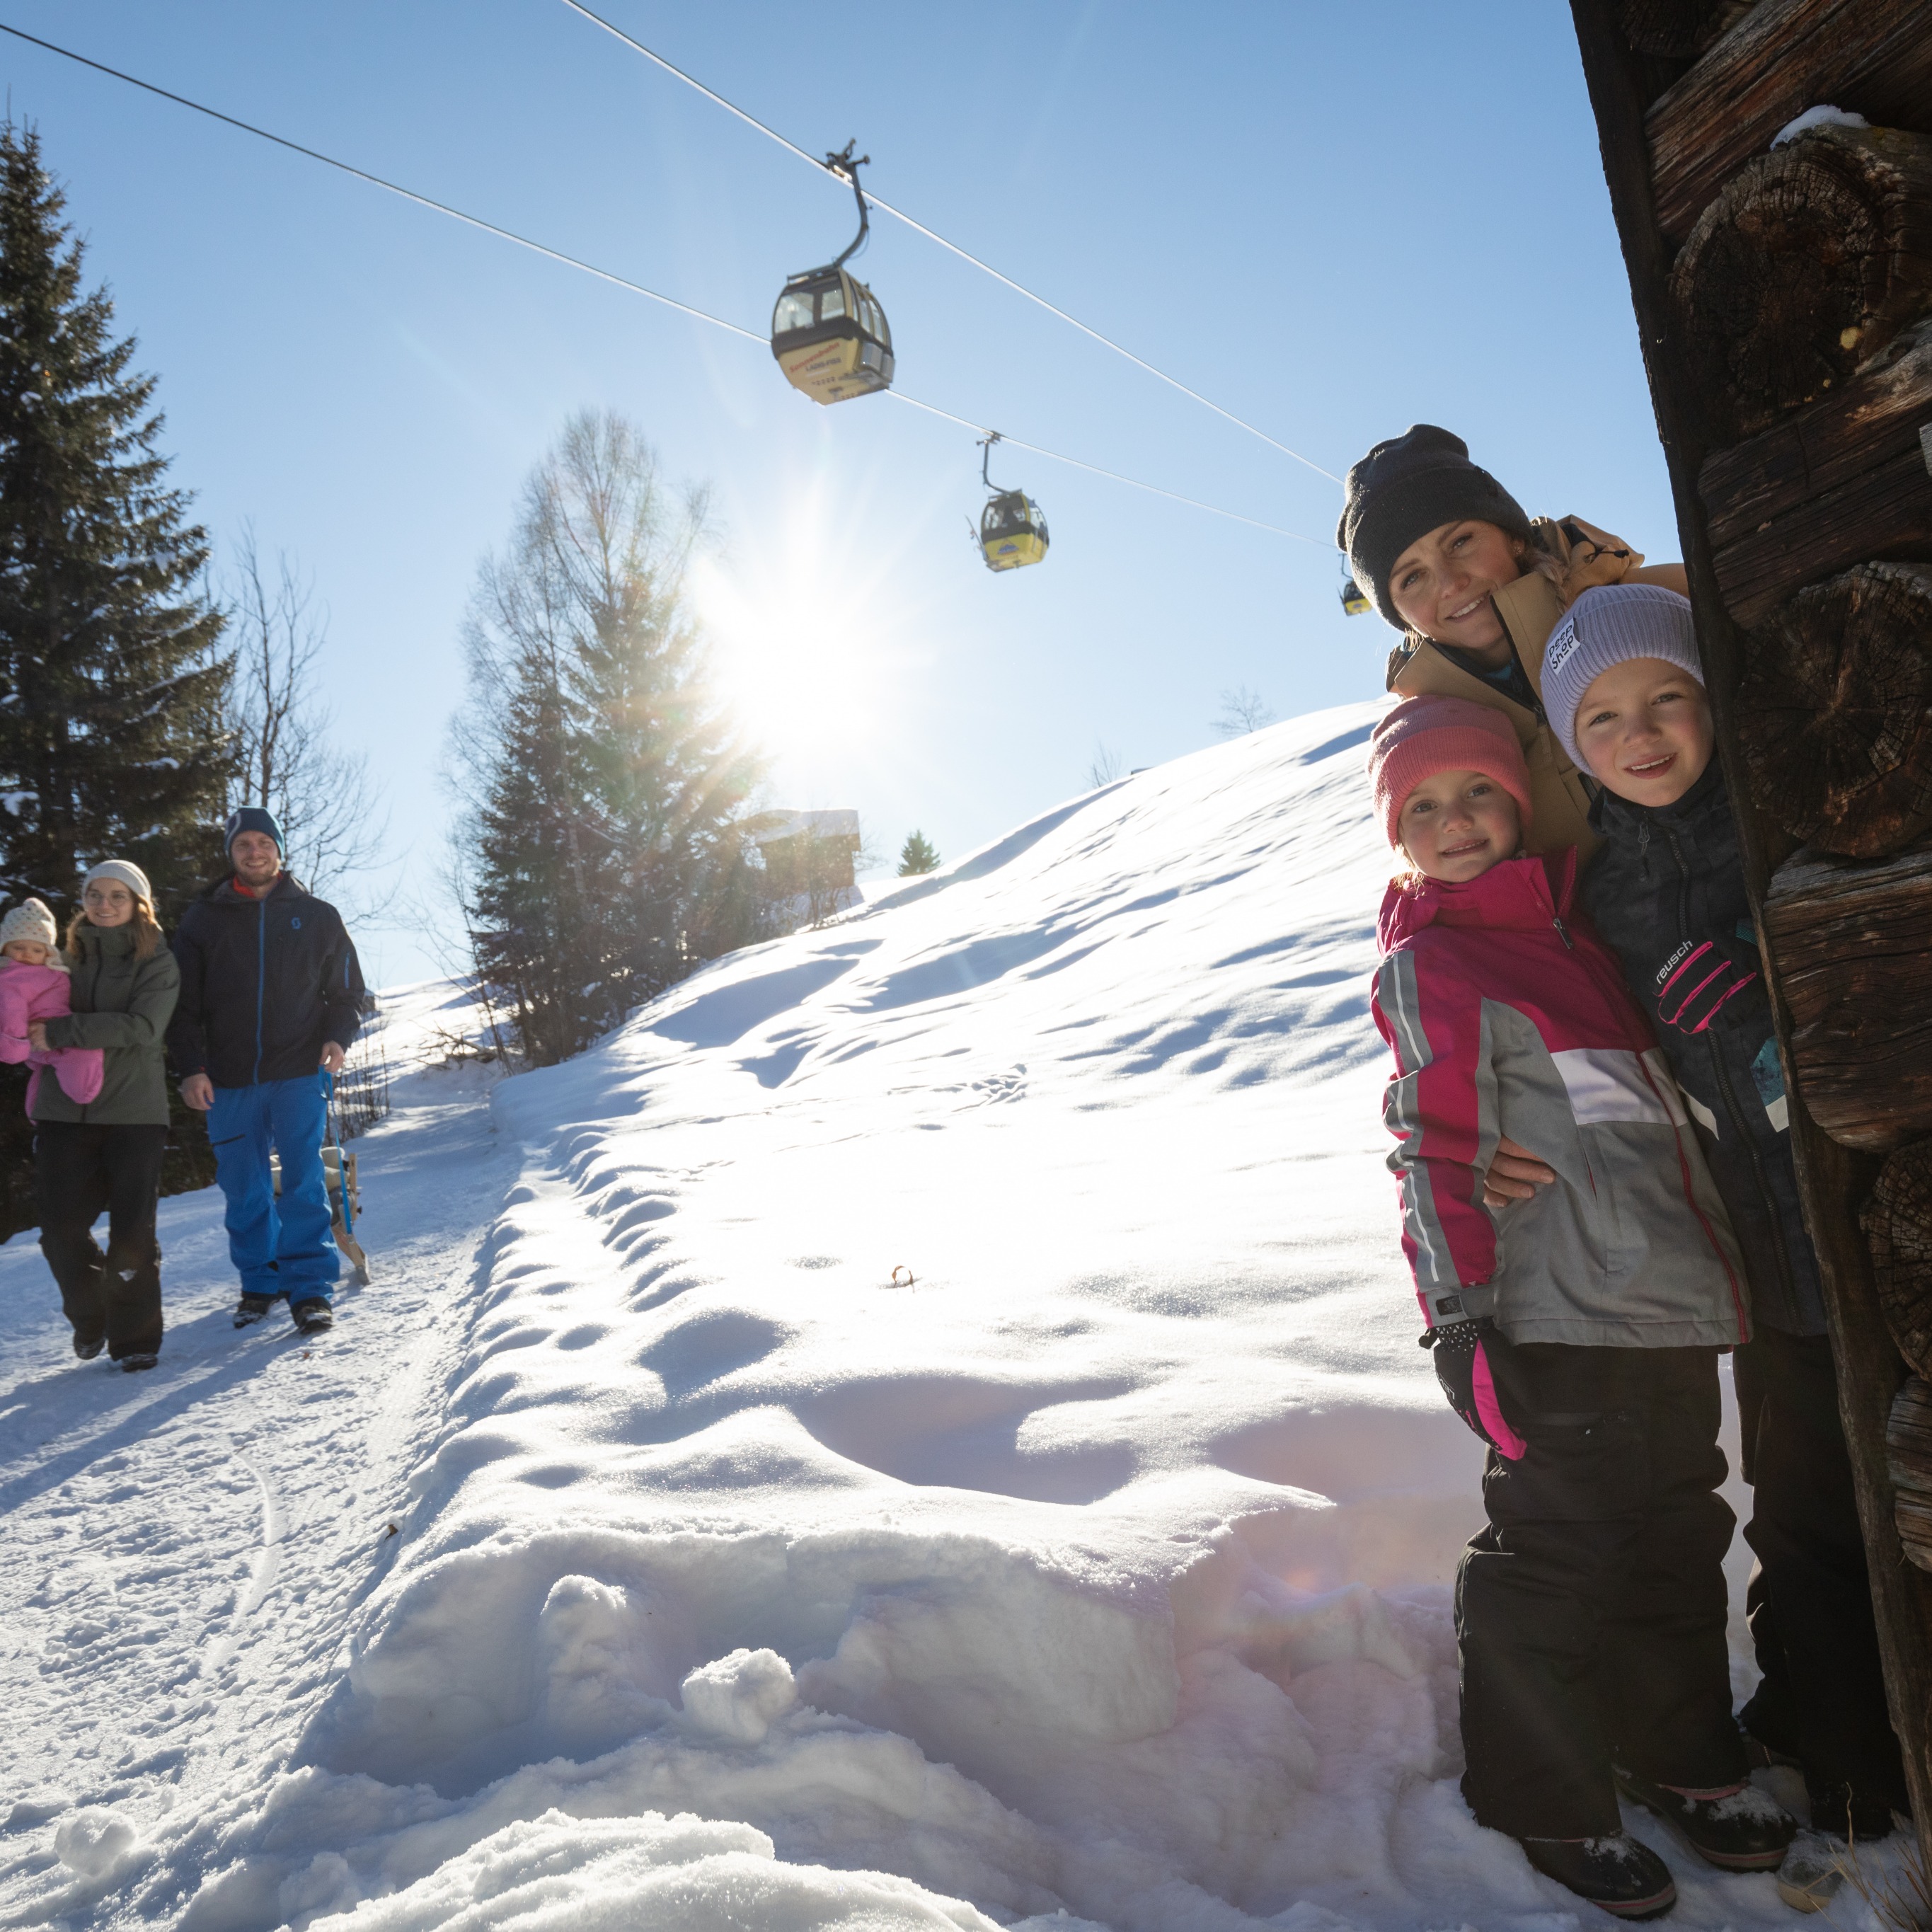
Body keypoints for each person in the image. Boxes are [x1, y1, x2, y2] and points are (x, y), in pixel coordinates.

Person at [1367, 693, 1794, 1919]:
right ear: (1398, 835)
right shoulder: (1437, 961)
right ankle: (1540, 1793)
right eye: (1424, 808)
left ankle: (1680, 1757)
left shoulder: (1582, 940)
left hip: (1663, 1314)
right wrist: (1460, 1319)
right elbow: (1434, 1147)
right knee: (1553, 1560)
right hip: (1553, 1321)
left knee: (1675, 1540)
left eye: (1480, 794)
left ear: (1521, 800)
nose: (1457, 824)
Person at [1534, 582, 1908, 1910]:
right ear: (1574, 746)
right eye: (1603, 718)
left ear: (1710, 705)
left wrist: (1775, 984)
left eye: (1665, 700)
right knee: (1803, 1517)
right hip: (1754, 1270)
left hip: (1869, 1225)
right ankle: (1847, 1763)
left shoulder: (1779, 822)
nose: (1641, 735)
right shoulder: (1598, 900)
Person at [1337, 423, 1691, 861]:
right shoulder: (1435, 740)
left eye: (1461, 542)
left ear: (1514, 537)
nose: (1451, 583)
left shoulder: (1658, 607)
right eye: (1412, 577)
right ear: (1397, 613)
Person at [168, 807, 364, 1335]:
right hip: (227, 1078)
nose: (254, 852)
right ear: (231, 854)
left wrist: (337, 1036)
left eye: (263, 842)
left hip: (299, 1070)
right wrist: (191, 1068)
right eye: (243, 845)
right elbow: (181, 1006)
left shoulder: (318, 915)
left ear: (279, 849)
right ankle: (259, 1281)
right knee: (244, 1185)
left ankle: (310, 1289)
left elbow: (347, 992)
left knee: (302, 1180)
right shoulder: (202, 920)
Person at [29, 861, 180, 1372]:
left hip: (134, 1114)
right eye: (96, 894)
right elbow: (25, 1003)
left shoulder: (158, 962)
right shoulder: (62, 960)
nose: (105, 904)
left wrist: (63, 1031)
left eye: (118, 895)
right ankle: (92, 1316)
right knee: (60, 1231)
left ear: (140, 904)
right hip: (62, 1113)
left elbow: (142, 1028)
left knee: (132, 1231)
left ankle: (135, 1340)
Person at [0, 897, 104, 1108]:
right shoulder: (12, 976)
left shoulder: (49, 971)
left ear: (48, 953)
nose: (27, 954)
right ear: (5, 949)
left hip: (52, 1033)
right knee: (85, 1051)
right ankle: (83, 1091)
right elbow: (12, 1007)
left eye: (37, 950)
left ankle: (37, 1111)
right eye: (19, 947)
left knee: (46, 1068)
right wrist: (14, 1046)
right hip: (33, 1035)